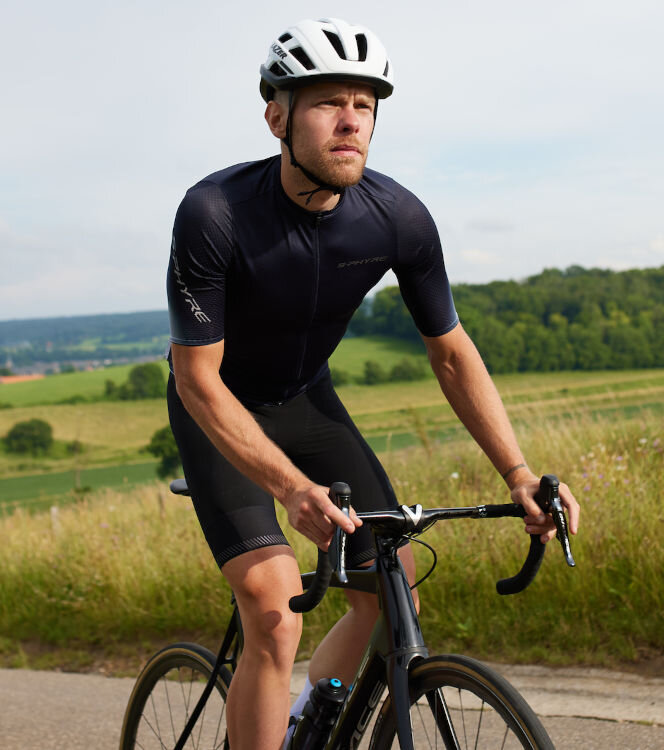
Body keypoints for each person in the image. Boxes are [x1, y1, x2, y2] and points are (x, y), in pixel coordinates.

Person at [165, 17, 580, 750]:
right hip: (219, 410)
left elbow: (452, 353)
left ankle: (309, 725)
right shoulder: (215, 213)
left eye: (366, 104)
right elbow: (196, 378)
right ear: (277, 118)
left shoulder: (397, 218)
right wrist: (291, 488)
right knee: (273, 610)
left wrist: (517, 473)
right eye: (327, 102)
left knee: (392, 588)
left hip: (306, 403)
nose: (352, 119)